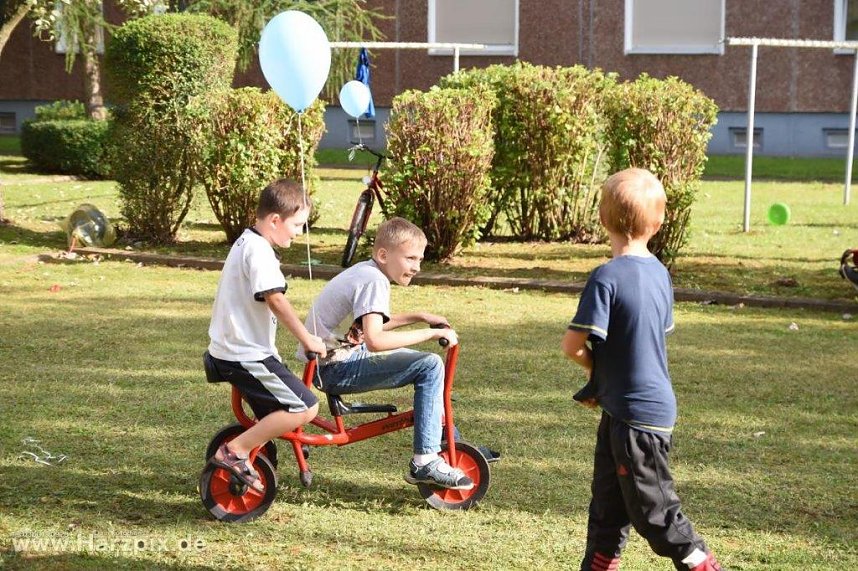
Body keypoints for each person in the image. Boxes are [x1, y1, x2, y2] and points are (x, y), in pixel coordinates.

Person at [561, 169, 723, 571]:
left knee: (655, 513)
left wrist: (594, 371)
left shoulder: (605, 278)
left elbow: (572, 346)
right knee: (608, 504)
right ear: (660, 221)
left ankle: (702, 563)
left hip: (637, 417)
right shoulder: (660, 273)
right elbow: (640, 342)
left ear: (602, 218)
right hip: (624, 409)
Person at [298, 217, 492, 490]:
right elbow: (375, 340)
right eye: (411, 258)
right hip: (334, 367)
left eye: (420, 259)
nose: (416, 267)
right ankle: (425, 460)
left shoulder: (367, 272)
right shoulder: (374, 280)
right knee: (430, 365)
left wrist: (420, 316)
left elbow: (369, 325)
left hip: (329, 361)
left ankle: (451, 443)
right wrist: (432, 333)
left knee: (427, 366)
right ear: (383, 254)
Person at [205, 179, 327, 493]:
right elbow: (275, 299)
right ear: (275, 220)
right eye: (298, 225)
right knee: (305, 408)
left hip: (241, 350)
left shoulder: (248, 242)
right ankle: (234, 452)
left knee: (291, 405)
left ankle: (247, 445)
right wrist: (306, 338)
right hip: (243, 355)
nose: (300, 233)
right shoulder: (259, 251)